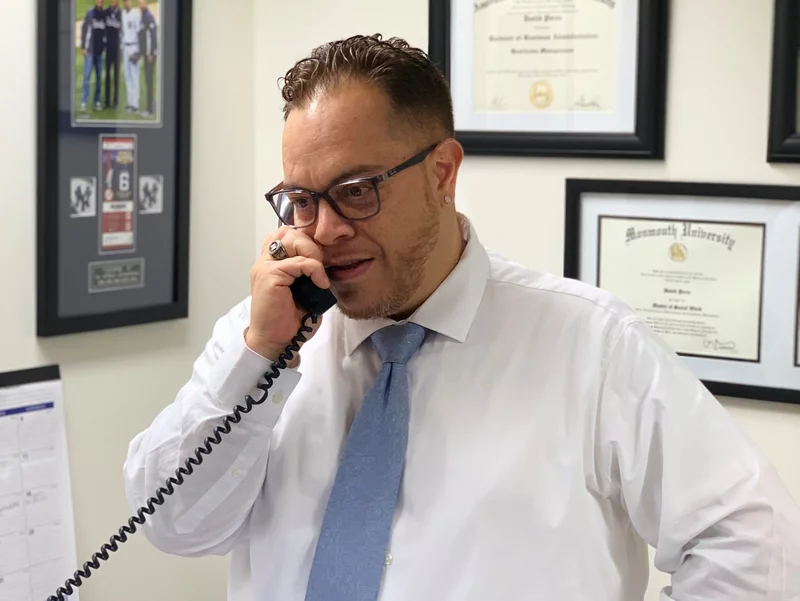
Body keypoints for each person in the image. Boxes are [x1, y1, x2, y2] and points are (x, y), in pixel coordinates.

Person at [123, 34, 800, 601]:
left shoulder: (590, 344)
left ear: (442, 172)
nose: (324, 229)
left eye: (355, 192)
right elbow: (176, 526)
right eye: (301, 199)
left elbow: (754, 540)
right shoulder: (267, 335)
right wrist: (259, 361)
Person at [79, 0, 106, 111]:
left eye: (101, 1)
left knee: (99, 78)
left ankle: (97, 101)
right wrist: (83, 47)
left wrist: (104, 47)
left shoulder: (104, 15)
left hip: (99, 52)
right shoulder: (90, 13)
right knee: (87, 77)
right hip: (90, 51)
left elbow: (105, 33)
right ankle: (84, 102)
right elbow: (84, 30)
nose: (100, 2)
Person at [138, 0, 157, 117]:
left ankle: (149, 109)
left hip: (149, 54)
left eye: (142, 3)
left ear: (146, 4)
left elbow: (151, 35)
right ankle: (152, 103)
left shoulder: (148, 16)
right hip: (146, 53)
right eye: (139, 3)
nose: (140, 5)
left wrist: (150, 53)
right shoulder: (144, 16)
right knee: (148, 79)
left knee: (149, 80)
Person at [120, 0, 140, 113]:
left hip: (133, 47)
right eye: (124, 2)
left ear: (131, 2)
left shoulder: (135, 14)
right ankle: (129, 102)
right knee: (127, 75)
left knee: (134, 76)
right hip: (125, 47)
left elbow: (139, 32)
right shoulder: (122, 14)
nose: (126, 3)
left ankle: (135, 104)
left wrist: (138, 51)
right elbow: (122, 32)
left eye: (127, 1)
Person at [104, 0, 121, 109]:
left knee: (116, 76)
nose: (112, 2)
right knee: (107, 76)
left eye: (114, 1)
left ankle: (115, 101)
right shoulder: (106, 12)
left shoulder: (121, 13)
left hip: (117, 49)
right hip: (108, 48)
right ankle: (106, 101)